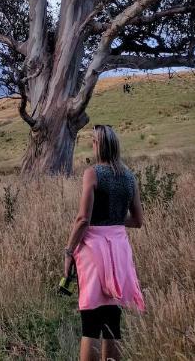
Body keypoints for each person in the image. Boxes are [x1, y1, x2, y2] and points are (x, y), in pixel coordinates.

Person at [63, 124, 145, 361]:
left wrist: (69, 251)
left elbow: (82, 219)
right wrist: (115, 221)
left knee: (90, 319)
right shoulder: (130, 177)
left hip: (93, 250)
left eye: (93, 141)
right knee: (112, 319)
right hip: (119, 249)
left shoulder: (93, 173)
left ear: (99, 145)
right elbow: (138, 220)